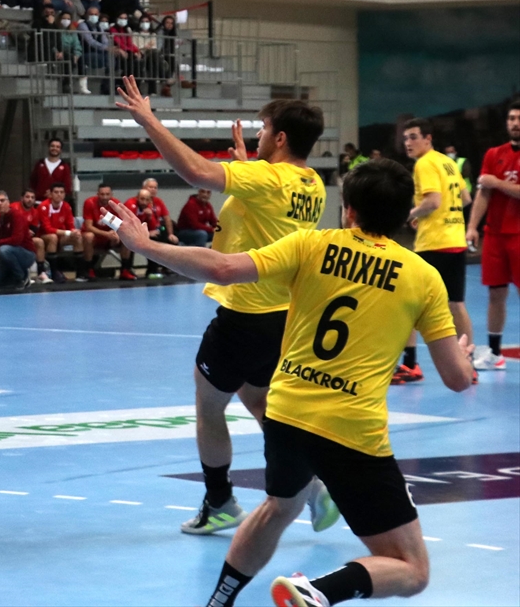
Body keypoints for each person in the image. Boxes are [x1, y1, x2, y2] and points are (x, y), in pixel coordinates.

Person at [105, 159, 474, 607]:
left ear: (349, 210)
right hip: (351, 431)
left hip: (285, 415)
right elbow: (457, 379)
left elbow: (222, 268)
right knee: (412, 570)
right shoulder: (423, 278)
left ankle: (218, 601)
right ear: (404, 216)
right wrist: (466, 359)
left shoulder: (312, 245)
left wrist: (145, 244)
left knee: (280, 507)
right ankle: (316, 592)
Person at [113, 75, 334, 537]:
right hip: (285, 315)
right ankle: (316, 486)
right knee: (258, 400)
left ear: (280, 138)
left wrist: (149, 120)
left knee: (209, 404)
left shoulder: (265, 178)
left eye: (263, 129)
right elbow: (267, 210)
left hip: (245, 315)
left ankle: (219, 501)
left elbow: (196, 173)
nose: (258, 135)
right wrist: (247, 166)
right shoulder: (311, 182)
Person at [392, 118, 475, 385]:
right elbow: (465, 199)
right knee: (456, 304)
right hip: (455, 239)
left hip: (433, 243)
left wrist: (409, 214)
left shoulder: (425, 163)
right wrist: (427, 215)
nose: (408, 142)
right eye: (406, 138)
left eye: (413, 137)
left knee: (410, 302)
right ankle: (469, 363)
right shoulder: (447, 162)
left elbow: (433, 201)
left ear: (428, 138)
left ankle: (410, 364)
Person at [466, 103, 520, 371]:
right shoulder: (493, 154)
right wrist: (472, 226)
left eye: (519, 119)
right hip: (495, 235)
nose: (515, 123)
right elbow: (483, 193)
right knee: (495, 294)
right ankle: (495, 354)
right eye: (511, 118)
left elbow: (493, 185)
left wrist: (497, 182)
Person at [0, 190, 35, 289]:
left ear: (8, 202)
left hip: (26, 254)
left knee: (3, 250)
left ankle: (21, 277)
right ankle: (16, 275)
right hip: (10, 255)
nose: (0, 203)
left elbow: (17, 240)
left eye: (2, 200)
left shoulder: (17, 216)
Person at [38, 182, 84, 282]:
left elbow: (70, 225)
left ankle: (81, 274)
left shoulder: (66, 206)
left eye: (61, 192)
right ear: (51, 194)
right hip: (44, 237)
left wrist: (74, 231)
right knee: (53, 237)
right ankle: (54, 272)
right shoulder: (43, 206)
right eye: (56, 192)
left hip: (61, 236)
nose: (59, 194)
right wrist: (67, 233)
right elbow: (47, 229)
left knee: (78, 237)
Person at [82, 184, 126, 280]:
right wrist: (107, 234)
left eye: (107, 194)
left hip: (110, 237)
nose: (105, 197)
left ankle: (125, 269)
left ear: (111, 194)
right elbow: (89, 227)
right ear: (97, 194)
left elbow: (119, 224)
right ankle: (89, 269)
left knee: (127, 236)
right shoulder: (89, 203)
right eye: (102, 194)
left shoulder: (116, 204)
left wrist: (115, 233)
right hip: (96, 237)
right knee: (88, 236)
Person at [13, 189, 54, 283]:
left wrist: (27, 233)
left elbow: (33, 230)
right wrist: (24, 231)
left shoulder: (35, 212)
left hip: (26, 238)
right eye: (27, 197)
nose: (30, 199)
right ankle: (23, 274)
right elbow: (11, 225)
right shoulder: (14, 208)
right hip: (13, 237)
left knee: (39, 242)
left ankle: (41, 273)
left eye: (32, 197)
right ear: (22, 198)